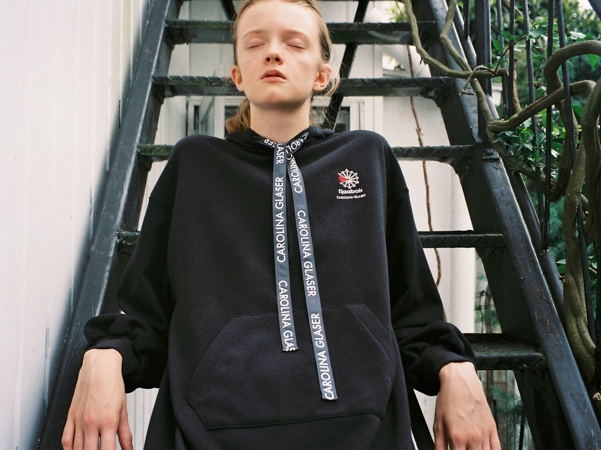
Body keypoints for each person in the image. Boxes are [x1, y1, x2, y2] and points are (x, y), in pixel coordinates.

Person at [62, 0, 501, 448]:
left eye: (294, 43)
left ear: (322, 76)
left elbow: (412, 309)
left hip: (363, 432)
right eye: (256, 43)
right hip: (208, 434)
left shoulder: (367, 158)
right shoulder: (194, 165)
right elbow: (147, 316)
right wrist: (105, 357)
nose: (273, 52)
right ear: (238, 75)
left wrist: (454, 367)